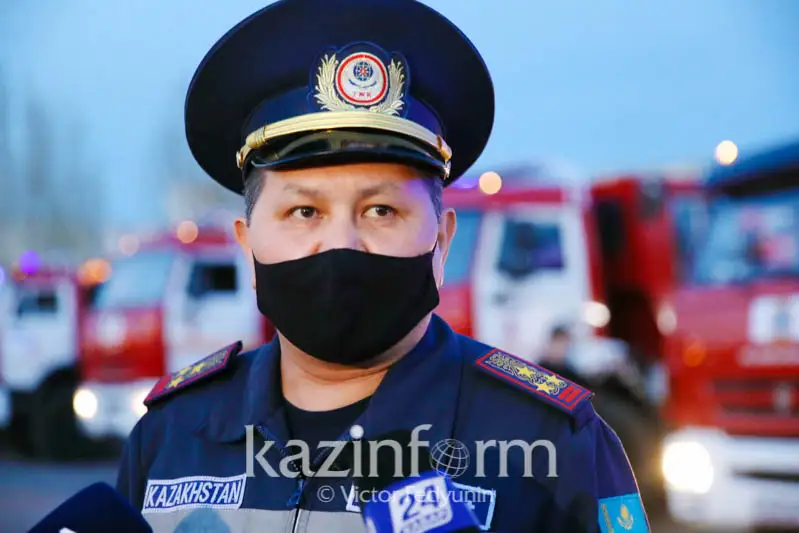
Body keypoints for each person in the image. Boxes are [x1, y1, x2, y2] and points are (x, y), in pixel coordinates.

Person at [116, 0, 650, 531]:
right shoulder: (170, 435)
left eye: (381, 211)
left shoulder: (555, 447)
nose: (341, 244)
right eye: (304, 212)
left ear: (441, 242)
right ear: (246, 247)